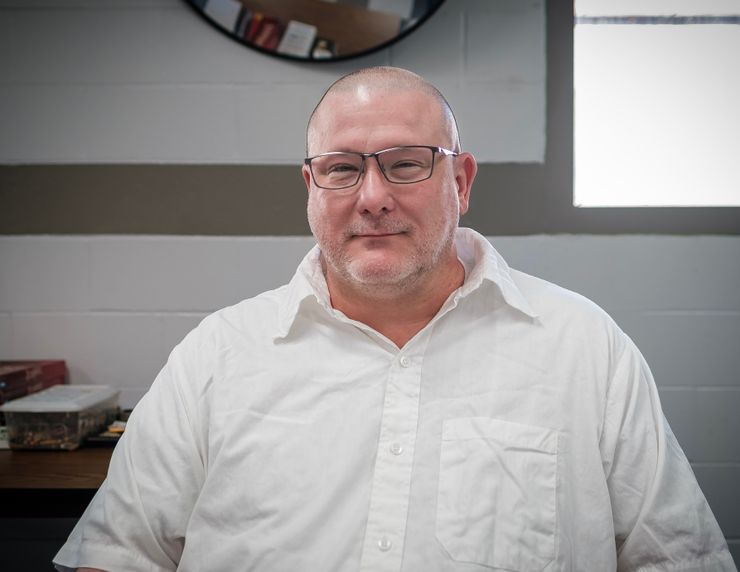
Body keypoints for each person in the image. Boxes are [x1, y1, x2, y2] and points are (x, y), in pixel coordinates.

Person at [55, 67, 735, 572]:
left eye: (407, 165)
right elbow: (122, 554)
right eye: (343, 169)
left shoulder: (585, 349)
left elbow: (676, 558)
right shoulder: (217, 356)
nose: (373, 198)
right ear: (311, 188)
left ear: (461, 182)